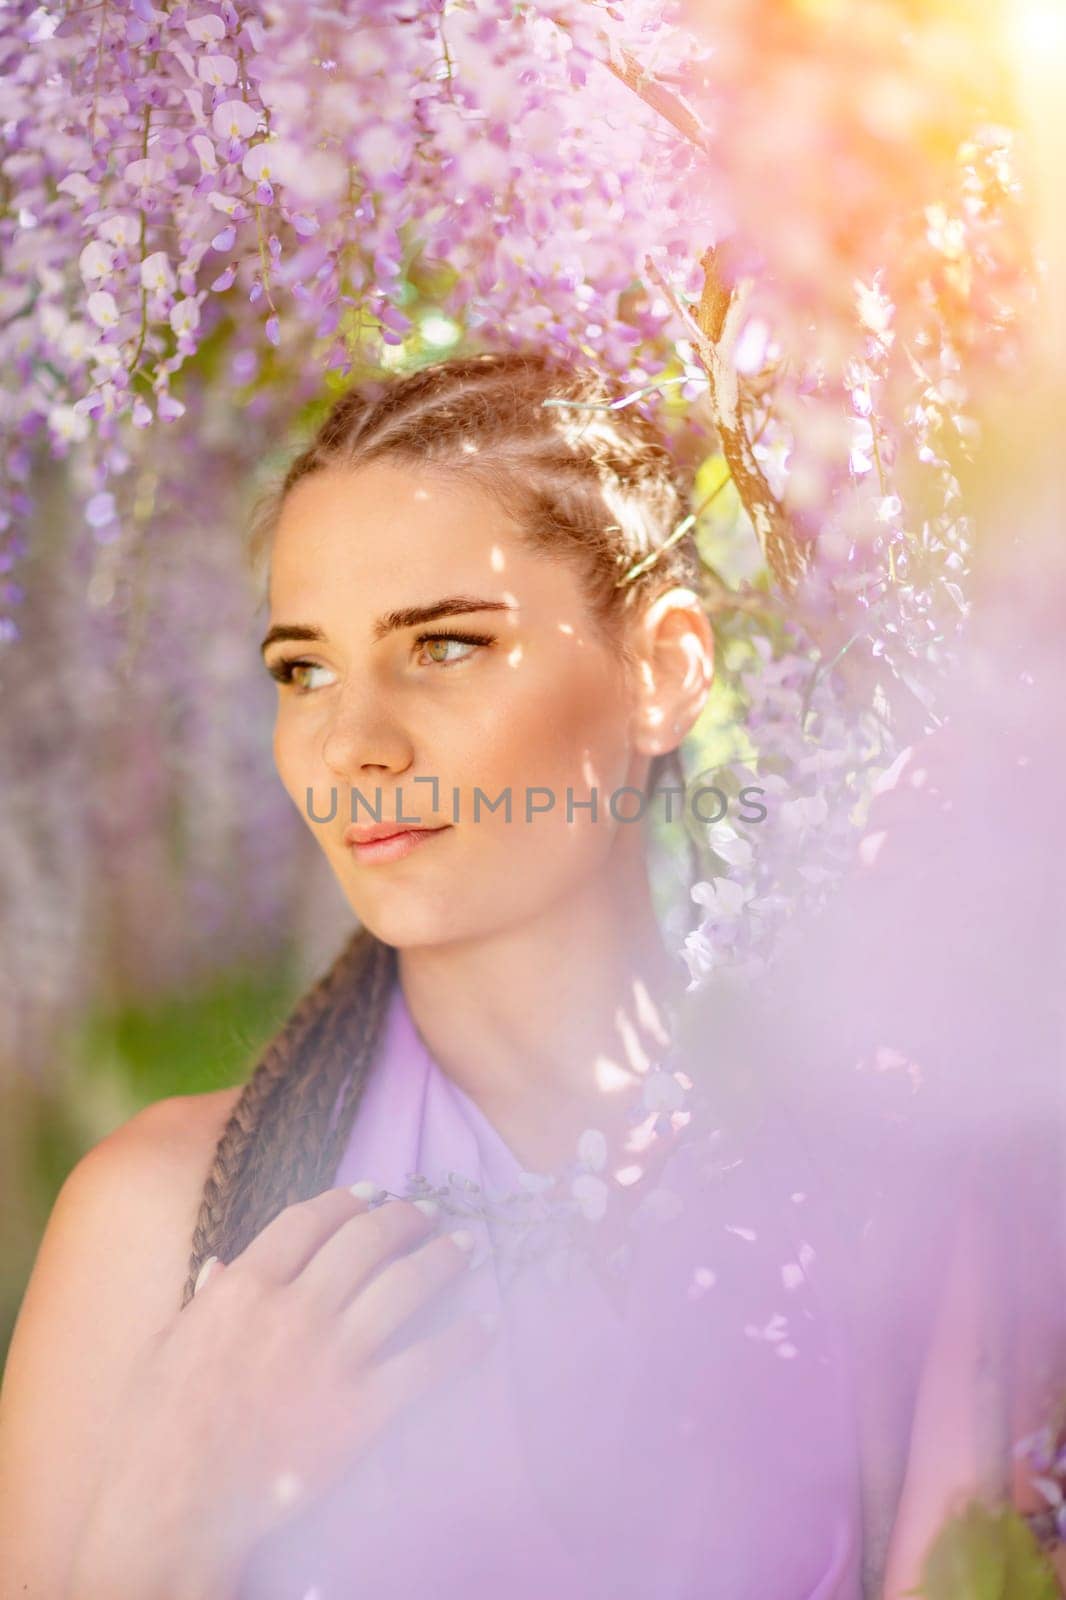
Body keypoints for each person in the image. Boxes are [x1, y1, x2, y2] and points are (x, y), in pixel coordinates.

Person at [0, 351, 863, 1599]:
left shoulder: (862, 1197)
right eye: (302, 668)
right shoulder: (163, 1219)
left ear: (663, 670)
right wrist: (178, 1511)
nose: (353, 741)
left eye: (447, 645)